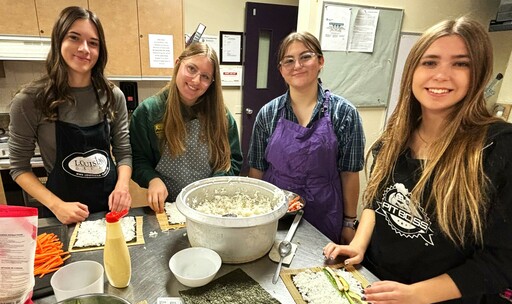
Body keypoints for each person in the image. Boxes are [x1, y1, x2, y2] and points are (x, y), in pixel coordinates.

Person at [322, 17, 512, 304]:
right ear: (413, 70)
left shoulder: (497, 148)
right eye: (430, 62)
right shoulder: (395, 138)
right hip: (372, 287)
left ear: (478, 72)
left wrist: (416, 295)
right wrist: (358, 244)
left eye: (460, 64)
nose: (440, 75)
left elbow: (500, 263)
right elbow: (376, 200)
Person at [8, 6, 132, 224]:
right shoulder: (29, 101)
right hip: (62, 213)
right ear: (58, 41)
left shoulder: (113, 96)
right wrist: (57, 206)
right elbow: (19, 168)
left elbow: (123, 153)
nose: (84, 49)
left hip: (110, 210)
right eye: (74, 38)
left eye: (93, 43)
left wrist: (122, 187)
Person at [247, 32, 365, 244]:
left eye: (305, 57)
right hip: (276, 211)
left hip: (325, 211)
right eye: (289, 61)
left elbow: (349, 173)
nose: (297, 65)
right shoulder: (268, 114)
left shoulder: (345, 113)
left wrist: (349, 223)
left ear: (320, 61)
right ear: (281, 70)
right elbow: (257, 169)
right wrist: (255, 216)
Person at [129, 42, 242, 213]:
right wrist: (152, 179)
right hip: (167, 207)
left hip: (210, 206)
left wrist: (214, 185)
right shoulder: (148, 113)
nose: (196, 80)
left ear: (212, 82)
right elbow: (138, 160)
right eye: (191, 69)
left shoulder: (222, 116)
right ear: (177, 65)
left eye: (205, 76)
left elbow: (232, 159)